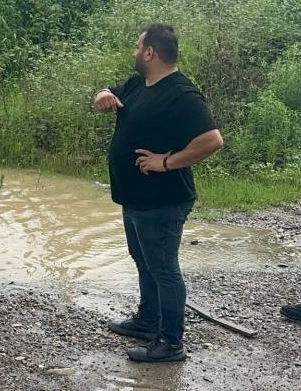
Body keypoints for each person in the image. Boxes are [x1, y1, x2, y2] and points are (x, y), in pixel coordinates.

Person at [94, 24, 224, 363]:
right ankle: (148, 320)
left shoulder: (182, 94)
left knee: (164, 268)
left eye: (138, 46)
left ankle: (171, 342)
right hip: (135, 198)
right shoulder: (139, 83)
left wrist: (167, 162)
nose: (135, 52)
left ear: (150, 52)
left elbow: (212, 140)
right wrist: (103, 95)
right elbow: (110, 91)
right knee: (144, 261)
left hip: (163, 201)